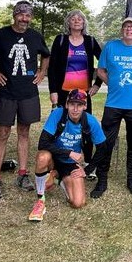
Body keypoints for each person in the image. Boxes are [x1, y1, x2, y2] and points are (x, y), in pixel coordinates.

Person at [0, 1, 50, 199]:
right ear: (14, 15)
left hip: (28, 93)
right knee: (2, 133)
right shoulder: (0, 34)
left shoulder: (35, 36)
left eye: (28, 15)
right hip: (6, 92)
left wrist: (42, 71)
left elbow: (46, 55)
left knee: (24, 132)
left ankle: (22, 174)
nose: (24, 19)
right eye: (21, 15)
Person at [28, 89, 109, 221]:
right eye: (72, 104)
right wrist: (68, 152)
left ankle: (57, 178)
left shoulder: (90, 121)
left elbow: (103, 148)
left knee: (78, 203)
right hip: (53, 158)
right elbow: (42, 143)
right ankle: (40, 201)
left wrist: (87, 170)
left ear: (85, 106)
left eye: (79, 105)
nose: (75, 109)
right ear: (66, 104)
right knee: (42, 157)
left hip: (70, 164)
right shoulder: (57, 114)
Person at [95, 17, 132, 198]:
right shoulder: (111, 47)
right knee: (106, 142)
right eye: (126, 26)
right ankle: (101, 180)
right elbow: (100, 70)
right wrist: (111, 83)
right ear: (122, 30)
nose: (129, 29)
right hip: (113, 103)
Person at [47, 9, 103, 170]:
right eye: (73, 18)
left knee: (85, 126)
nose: (77, 20)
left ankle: (86, 161)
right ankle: (59, 158)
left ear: (84, 23)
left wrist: (97, 84)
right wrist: (53, 91)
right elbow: (51, 68)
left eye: (80, 19)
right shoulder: (61, 40)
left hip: (83, 93)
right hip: (64, 92)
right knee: (61, 125)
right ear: (68, 23)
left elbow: (104, 63)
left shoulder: (90, 41)